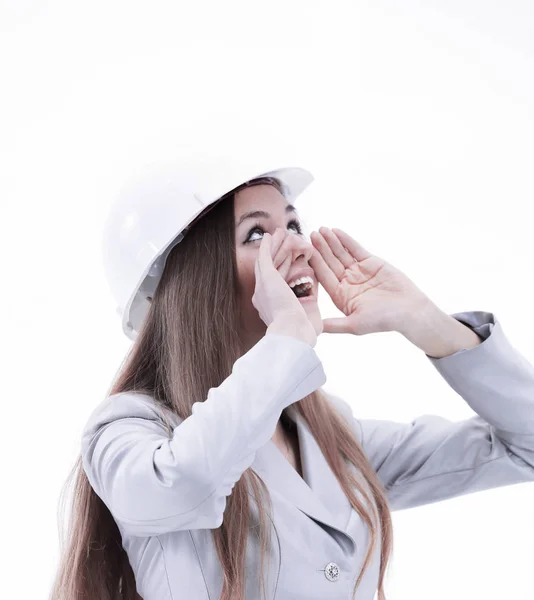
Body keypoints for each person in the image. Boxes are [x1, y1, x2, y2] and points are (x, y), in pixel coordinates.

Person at [49, 157, 534, 600]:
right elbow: (185, 485)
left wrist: (427, 322)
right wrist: (286, 338)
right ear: (193, 279)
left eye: (294, 223)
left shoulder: (332, 436)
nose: (300, 246)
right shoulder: (127, 429)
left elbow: (524, 446)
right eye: (257, 234)